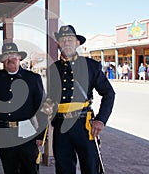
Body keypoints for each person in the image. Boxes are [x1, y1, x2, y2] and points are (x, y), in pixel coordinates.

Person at [45, 25, 115, 174]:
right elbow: (52, 97)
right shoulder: (53, 69)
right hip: (61, 125)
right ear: (58, 44)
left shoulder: (91, 66)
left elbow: (109, 93)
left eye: (70, 40)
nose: (67, 43)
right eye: (63, 40)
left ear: (77, 43)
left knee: (90, 167)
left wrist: (101, 120)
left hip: (84, 125)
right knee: (63, 169)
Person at [0, 42, 47, 174]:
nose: (10, 59)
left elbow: (42, 107)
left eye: (13, 56)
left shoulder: (33, 78)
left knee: (30, 170)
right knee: (9, 170)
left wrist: (41, 135)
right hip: (4, 132)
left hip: (27, 131)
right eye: (6, 56)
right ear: (3, 60)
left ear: (19, 58)